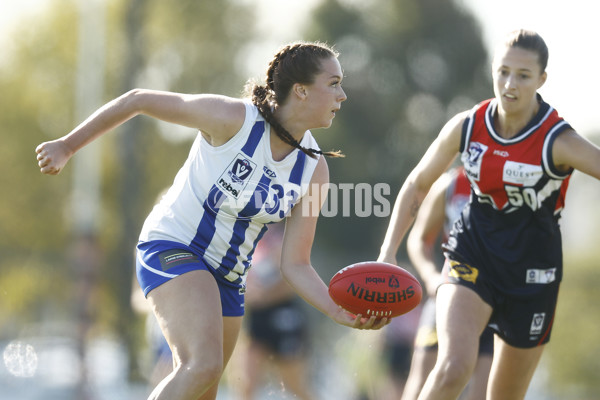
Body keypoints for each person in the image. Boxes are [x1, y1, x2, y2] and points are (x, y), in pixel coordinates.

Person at [36, 41, 389, 400]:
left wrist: (337, 310)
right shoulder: (232, 119)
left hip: (230, 279)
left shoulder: (316, 171)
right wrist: (67, 145)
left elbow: (295, 264)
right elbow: (138, 99)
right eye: (333, 83)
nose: (342, 95)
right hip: (174, 247)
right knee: (202, 366)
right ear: (300, 90)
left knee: (205, 388)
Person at [378, 29, 600, 400]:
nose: (510, 84)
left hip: (534, 273)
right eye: (503, 71)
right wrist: (388, 252)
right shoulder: (468, 126)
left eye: (523, 75)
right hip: (472, 255)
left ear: (541, 79)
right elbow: (417, 184)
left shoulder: (558, 141)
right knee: (452, 369)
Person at [401, 166, 493, 400]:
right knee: (422, 382)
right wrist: (431, 276)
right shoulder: (449, 184)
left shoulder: (519, 182)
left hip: (497, 298)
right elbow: (418, 239)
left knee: (484, 393)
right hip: (450, 292)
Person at [236, 221, 315, 399]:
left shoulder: (282, 239)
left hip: (282, 315)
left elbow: (289, 283)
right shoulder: (247, 238)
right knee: (247, 382)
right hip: (258, 316)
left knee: (294, 384)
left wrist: (263, 297)